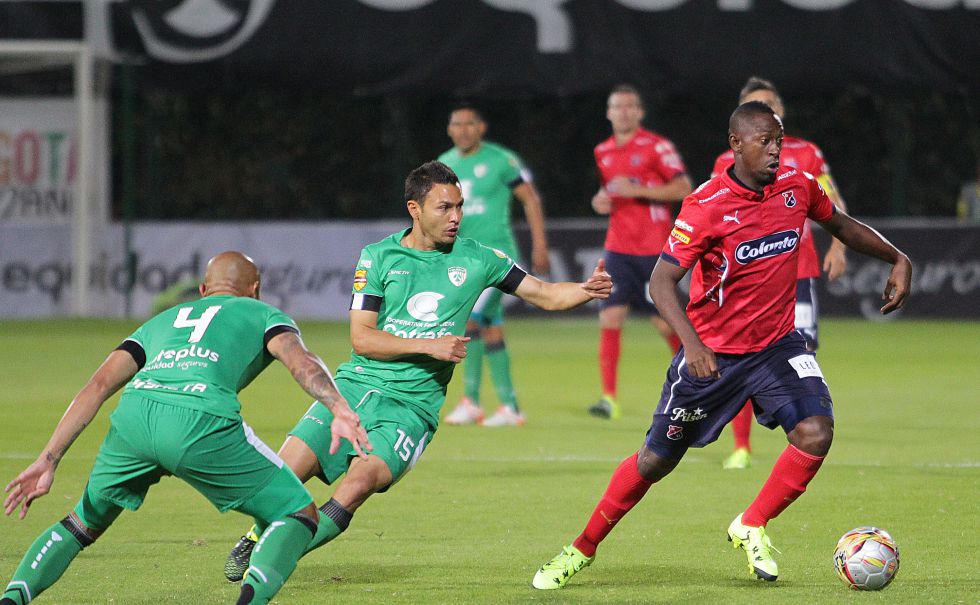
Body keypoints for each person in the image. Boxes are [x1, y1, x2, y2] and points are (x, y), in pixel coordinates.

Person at [531, 101, 912, 589]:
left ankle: (751, 523)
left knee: (816, 433)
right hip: (713, 354)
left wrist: (896, 257)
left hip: (777, 345)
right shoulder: (707, 204)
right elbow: (661, 282)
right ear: (736, 144)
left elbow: (840, 224)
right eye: (765, 141)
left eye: (779, 139)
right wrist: (691, 345)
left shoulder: (798, 187)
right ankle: (579, 550)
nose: (776, 149)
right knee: (654, 462)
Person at [223, 160, 612, 582]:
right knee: (289, 468)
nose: (457, 217)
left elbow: (545, 294)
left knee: (359, 482)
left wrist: (584, 291)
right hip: (353, 387)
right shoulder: (377, 257)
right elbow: (362, 338)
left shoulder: (479, 258)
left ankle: (274, 556)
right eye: (445, 208)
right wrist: (430, 345)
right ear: (415, 209)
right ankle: (254, 534)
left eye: (460, 206)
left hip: (412, 405)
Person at [1, 252, 371, 605]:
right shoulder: (262, 313)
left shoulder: (162, 320)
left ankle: (12, 597)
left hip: (135, 419)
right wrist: (338, 407)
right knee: (298, 513)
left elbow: (97, 387)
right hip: (199, 420)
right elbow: (301, 361)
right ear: (255, 288)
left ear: (204, 291)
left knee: (81, 523)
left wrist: (49, 459)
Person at [712, 77, 849, 470]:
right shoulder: (726, 161)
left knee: (802, 354)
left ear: (781, 112)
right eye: (753, 104)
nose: (762, 110)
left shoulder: (805, 153)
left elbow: (832, 201)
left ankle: (803, 437)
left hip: (797, 271)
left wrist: (839, 244)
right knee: (739, 359)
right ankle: (742, 446)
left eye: (768, 104)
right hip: (744, 280)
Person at [439, 102, 551, 427]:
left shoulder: (502, 160)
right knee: (490, 328)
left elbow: (530, 199)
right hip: (463, 259)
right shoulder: (444, 164)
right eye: (456, 124)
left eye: (469, 124)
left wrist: (540, 244)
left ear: (481, 127)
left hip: (499, 258)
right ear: (449, 129)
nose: (463, 130)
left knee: (469, 321)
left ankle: (473, 401)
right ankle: (508, 406)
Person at [588, 84, 694, 420]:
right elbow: (609, 194)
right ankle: (609, 398)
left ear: (640, 112)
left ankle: (693, 384)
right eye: (616, 106)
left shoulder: (656, 146)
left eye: (629, 106)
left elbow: (684, 187)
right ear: (608, 112)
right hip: (618, 248)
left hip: (654, 250)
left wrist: (638, 190)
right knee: (610, 317)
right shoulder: (603, 151)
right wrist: (599, 201)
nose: (623, 112)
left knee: (666, 326)